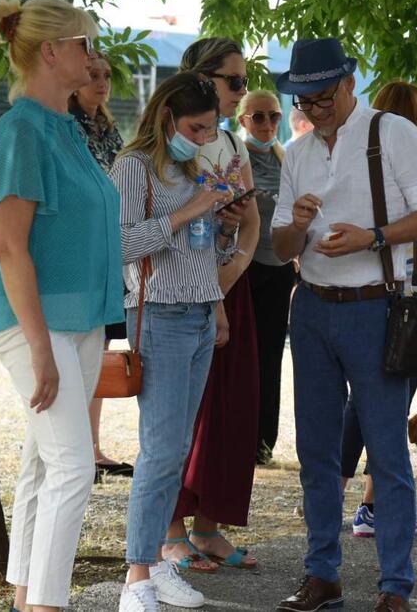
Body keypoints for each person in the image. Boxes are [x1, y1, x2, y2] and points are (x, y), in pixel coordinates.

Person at [271, 38, 417, 612]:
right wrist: (295, 226)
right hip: (313, 307)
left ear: (349, 83)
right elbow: (280, 245)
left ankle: (395, 586)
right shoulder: (295, 152)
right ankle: (323, 574)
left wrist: (371, 237)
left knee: (388, 454)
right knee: (317, 452)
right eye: (303, 101)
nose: (312, 111)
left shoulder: (390, 132)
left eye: (321, 98)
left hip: (377, 306)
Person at [0, 0, 123, 612]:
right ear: (50, 51)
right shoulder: (20, 131)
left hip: (83, 320)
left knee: (45, 467)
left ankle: (24, 596)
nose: (92, 57)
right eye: (83, 44)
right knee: (73, 470)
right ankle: (47, 604)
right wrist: (39, 345)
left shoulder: (68, 126)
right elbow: (10, 249)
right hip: (37, 324)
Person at [111, 72, 236, 610]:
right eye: (196, 127)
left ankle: (157, 562)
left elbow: (205, 250)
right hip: (157, 314)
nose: (205, 137)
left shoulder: (192, 167)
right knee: (161, 451)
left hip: (200, 314)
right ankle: (136, 577)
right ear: (167, 117)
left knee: (177, 449)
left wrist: (228, 222)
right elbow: (118, 244)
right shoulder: (132, 167)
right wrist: (187, 212)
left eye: (211, 128)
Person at [339, 81, 417, 539]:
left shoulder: (353, 166)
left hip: (364, 290)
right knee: (395, 402)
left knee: (357, 400)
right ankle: (371, 506)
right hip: (413, 300)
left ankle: (334, 490)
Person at [164, 37, 262, 572]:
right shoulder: (174, 144)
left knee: (231, 405)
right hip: (183, 287)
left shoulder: (232, 142)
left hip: (231, 281)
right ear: (203, 81)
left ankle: (208, 527)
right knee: (182, 410)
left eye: (244, 82)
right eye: (235, 82)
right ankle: (170, 529)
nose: (242, 92)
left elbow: (248, 217)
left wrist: (235, 267)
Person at [68, 50, 133, 481]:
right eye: (93, 74)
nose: (102, 82)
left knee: (99, 350)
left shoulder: (108, 128)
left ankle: (91, 448)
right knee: (73, 352)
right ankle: (73, 449)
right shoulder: (65, 127)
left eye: (107, 75)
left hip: (109, 251)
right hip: (76, 252)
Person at [236, 89, 296, 465]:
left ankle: (263, 440)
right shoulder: (235, 156)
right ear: (243, 120)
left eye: (273, 116)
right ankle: (241, 435)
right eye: (258, 116)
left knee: (271, 356)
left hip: (280, 268)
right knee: (246, 356)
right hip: (247, 266)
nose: (267, 124)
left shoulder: (285, 158)